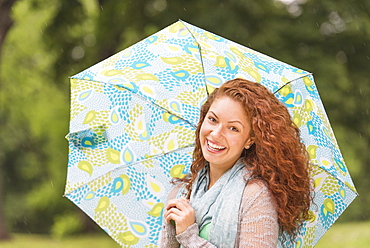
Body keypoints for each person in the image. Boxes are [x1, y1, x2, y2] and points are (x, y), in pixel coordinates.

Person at [160, 78, 313, 248]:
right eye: (212, 119)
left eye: (233, 128)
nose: (216, 133)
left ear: (250, 140)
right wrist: (173, 229)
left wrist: (189, 236)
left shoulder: (255, 196)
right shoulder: (181, 192)